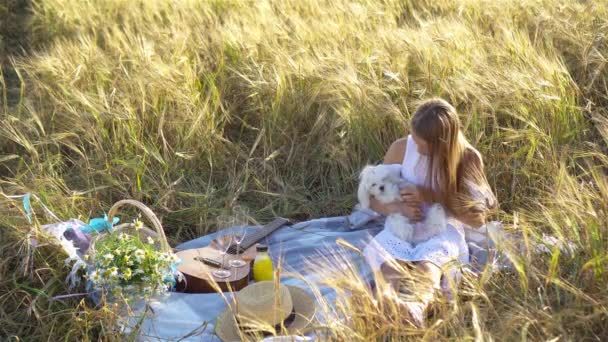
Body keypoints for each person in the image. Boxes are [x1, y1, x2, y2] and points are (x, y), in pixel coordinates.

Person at [363, 98, 497, 326]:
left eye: (423, 145)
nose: (416, 147)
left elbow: (477, 219)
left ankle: (415, 308)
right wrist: (399, 207)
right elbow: (373, 201)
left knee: (430, 264)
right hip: (402, 225)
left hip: (442, 228)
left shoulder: (467, 158)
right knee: (388, 263)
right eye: (414, 139)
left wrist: (430, 195)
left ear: (443, 144)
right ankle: (382, 305)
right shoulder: (402, 148)